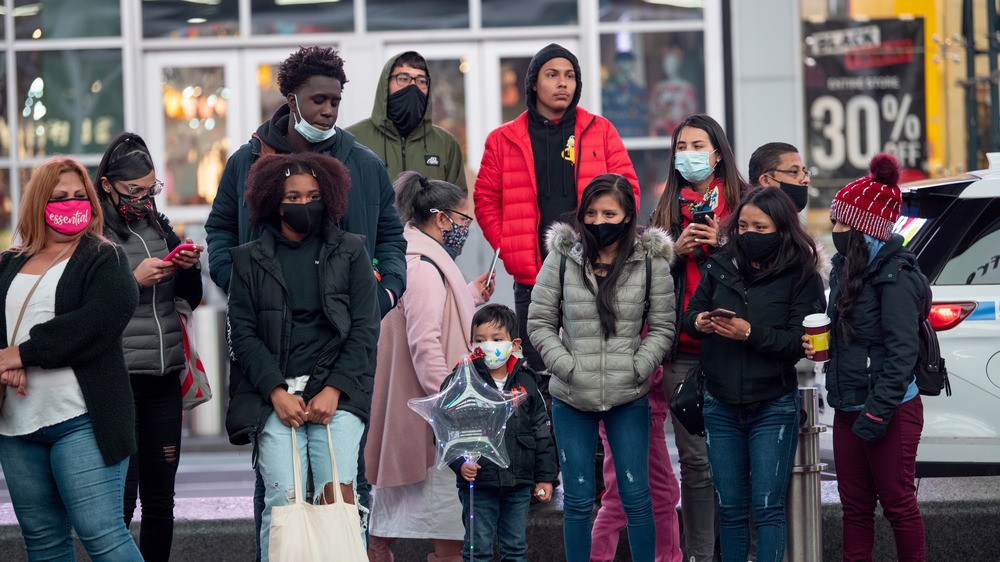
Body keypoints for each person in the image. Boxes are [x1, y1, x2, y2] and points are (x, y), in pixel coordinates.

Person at [205, 45, 406, 558]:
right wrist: (242, 282)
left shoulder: (362, 163)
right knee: (278, 493)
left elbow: (390, 235)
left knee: (341, 487)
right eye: (318, 100)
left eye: (336, 101)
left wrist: (384, 293)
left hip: (341, 353)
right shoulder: (247, 161)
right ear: (291, 98)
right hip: (272, 348)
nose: (329, 111)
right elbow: (221, 230)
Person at [225, 152, 380, 560]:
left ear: (328, 197)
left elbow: (365, 328)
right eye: (293, 196)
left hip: (338, 395)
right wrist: (276, 392)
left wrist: (334, 390)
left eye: (312, 195)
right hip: (273, 396)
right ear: (274, 201)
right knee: (282, 505)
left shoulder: (351, 251)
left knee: (338, 499)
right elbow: (242, 336)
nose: (303, 204)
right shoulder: (246, 260)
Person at [527, 173, 676, 561]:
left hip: (629, 397)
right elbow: (539, 322)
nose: (598, 221)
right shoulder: (563, 255)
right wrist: (566, 367)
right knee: (576, 500)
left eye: (609, 212)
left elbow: (662, 328)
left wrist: (637, 368)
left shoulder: (650, 260)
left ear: (628, 215)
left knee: (636, 496)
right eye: (590, 212)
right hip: (571, 397)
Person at [0, 156, 142, 560]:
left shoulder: (104, 257)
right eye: (60, 196)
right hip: (17, 426)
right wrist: (6, 362)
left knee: (103, 536)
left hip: (82, 420)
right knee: (42, 543)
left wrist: (20, 355)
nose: (71, 203)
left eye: (80, 196)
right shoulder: (9, 262)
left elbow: (97, 322)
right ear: (38, 202)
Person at [474, 43, 640, 379]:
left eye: (570, 76)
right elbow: (486, 200)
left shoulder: (601, 130)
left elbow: (629, 192)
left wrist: (611, 244)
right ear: (534, 83)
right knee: (540, 371)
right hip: (533, 278)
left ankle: (593, 435)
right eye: (552, 75)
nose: (563, 83)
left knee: (596, 372)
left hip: (598, 274)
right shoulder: (502, 139)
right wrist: (508, 245)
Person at [681, 185, 825, 562]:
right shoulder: (721, 264)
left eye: (759, 228)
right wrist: (701, 321)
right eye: (743, 226)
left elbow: (799, 343)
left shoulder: (802, 274)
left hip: (772, 404)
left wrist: (749, 333)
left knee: (767, 508)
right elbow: (689, 316)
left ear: (781, 228)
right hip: (720, 402)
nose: (748, 234)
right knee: (730, 510)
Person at [366, 171, 495, 562]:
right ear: (442, 219)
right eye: (464, 219)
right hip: (433, 423)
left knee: (388, 527)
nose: (466, 228)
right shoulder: (423, 265)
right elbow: (426, 346)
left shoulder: (417, 257)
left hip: (419, 416)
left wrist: (469, 294)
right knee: (446, 534)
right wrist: (454, 405)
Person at [804, 153, 926, 561]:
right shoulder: (845, 269)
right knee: (855, 511)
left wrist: (877, 412)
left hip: (889, 409)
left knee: (898, 506)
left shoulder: (896, 278)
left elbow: (902, 353)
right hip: (848, 405)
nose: (834, 229)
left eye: (841, 222)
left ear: (863, 229)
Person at [95, 132, 204, 561]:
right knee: (121, 499)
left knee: (161, 499)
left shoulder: (158, 225)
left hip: (163, 378)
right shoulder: (92, 233)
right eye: (134, 192)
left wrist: (188, 268)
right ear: (107, 185)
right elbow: (84, 307)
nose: (143, 199)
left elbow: (187, 301)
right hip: (117, 381)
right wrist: (131, 282)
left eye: (151, 189)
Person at [649, 113, 747, 562]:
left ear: (718, 151)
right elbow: (642, 281)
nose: (687, 154)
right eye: (680, 146)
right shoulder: (666, 209)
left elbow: (766, 271)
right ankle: (701, 555)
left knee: (736, 460)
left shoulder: (745, 204)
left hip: (737, 350)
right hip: (683, 354)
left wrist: (725, 243)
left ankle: (737, 551)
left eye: (697, 145)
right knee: (696, 463)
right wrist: (673, 252)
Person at [444, 304, 558, 562]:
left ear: (514, 343)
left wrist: (546, 477)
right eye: (480, 340)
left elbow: (542, 430)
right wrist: (459, 465)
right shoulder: (461, 380)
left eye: (497, 340)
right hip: (478, 483)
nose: (488, 346)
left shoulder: (526, 381)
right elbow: (444, 428)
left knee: (515, 548)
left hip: (518, 483)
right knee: (477, 549)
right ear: (471, 342)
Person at [591, 362, 682, 562]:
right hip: (641, 411)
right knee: (663, 494)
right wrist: (663, 373)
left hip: (617, 407)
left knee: (617, 498)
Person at [346, 51, 466, 188]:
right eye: (403, 79)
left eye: (421, 81)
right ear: (386, 84)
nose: (413, 87)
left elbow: (458, 204)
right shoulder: (353, 140)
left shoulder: (445, 143)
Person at [748, 142, 811, 211]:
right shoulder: (752, 219)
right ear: (766, 180)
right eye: (794, 172)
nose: (806, 179)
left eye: (804, 172)